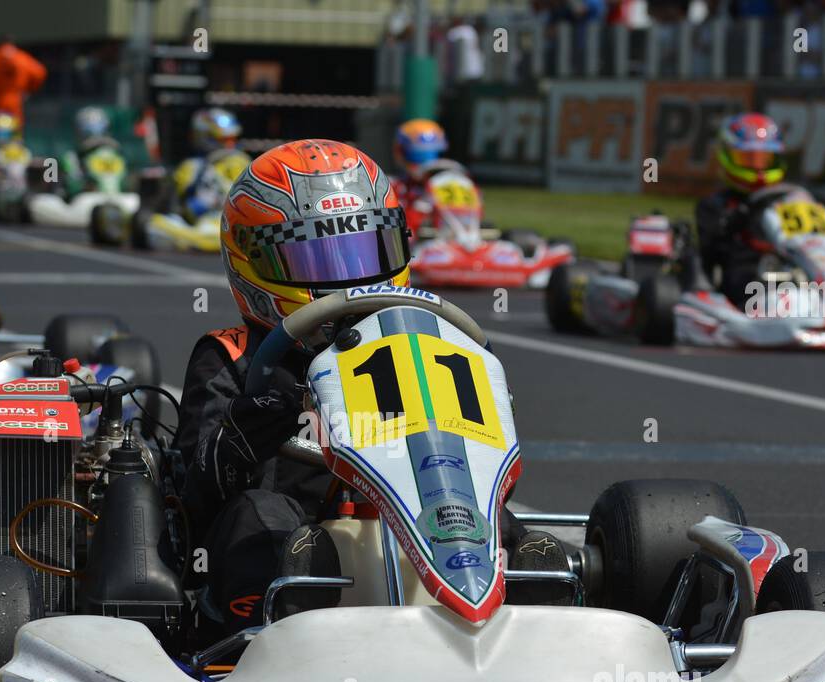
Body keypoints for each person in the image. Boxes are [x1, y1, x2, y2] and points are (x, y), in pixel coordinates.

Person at [176, 139, 566, 640]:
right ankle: (266, 638)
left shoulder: (427, 342)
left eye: (365, 249)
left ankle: (527, 616)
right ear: (252, 263)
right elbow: (194, 498)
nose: (349, 278)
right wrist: (251, 424)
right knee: (261, 518)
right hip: (300, 533)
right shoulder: (230, 356)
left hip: (407, 515)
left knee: (485, 517)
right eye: (316, 260)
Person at [694, 112, 788, 308]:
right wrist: (739, 218)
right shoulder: (715, 205)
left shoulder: (787, 201)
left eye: (764, 160)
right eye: (749, 159)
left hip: (788, 273)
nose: (758, 168)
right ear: (727, 156)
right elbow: (711, 251)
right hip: (744, 282)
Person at [158, 107, 244, 222]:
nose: (230, 145)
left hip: (231, 222)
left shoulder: (240, 161)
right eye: (223, 140)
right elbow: (179, 206)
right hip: (201, 224)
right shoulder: (191, 166)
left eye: (232, 139)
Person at [0, 34, 46, 146]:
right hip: (15, 100)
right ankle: (15, 151)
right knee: (15, 130)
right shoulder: (22, 57)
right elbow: (40, 72)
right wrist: (29, 89)